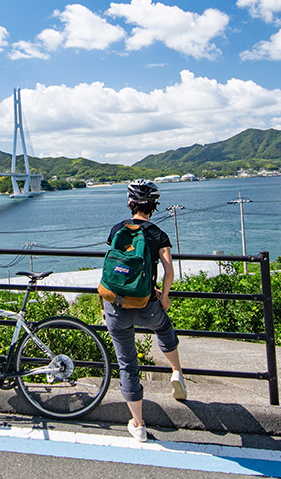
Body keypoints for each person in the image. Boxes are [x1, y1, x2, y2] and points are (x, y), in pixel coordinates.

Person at [104, 179, 186, 443]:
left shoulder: (118, 229)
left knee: (127, 364)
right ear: (154, 206)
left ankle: (138, 425)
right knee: (163, 327)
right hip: (146, 303)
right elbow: (169, 271)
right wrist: (165, 297)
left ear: (130, 204)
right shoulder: (158, 234)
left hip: (115, 304)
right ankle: (176, 371)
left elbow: (114, 269)